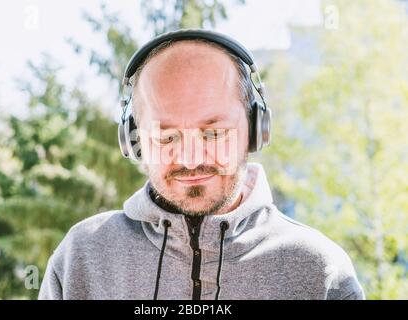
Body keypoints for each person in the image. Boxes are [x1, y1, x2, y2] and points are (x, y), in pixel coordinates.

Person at [38, 29, 365, 300]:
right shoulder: (81, 258)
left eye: (214, 133)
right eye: (166, 137)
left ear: (255, 129)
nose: (191, 159)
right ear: (133, 140)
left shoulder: (318, 271)